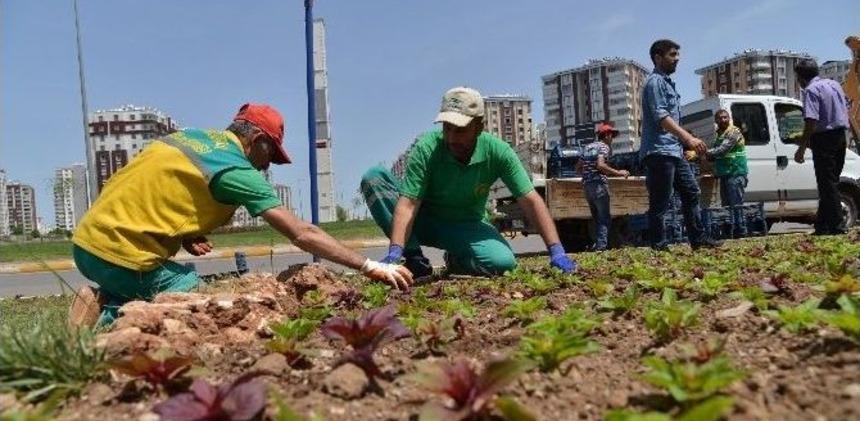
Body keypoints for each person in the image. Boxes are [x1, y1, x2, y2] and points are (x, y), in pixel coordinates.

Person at [70, 103, 412, 327]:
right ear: (258, 140)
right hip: (121, 255)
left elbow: (157, 186)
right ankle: (105, 323)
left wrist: (186, 231)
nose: (268, 166)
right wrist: (368, 265)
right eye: (271, 156)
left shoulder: (193, 138)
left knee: (145, 290)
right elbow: (301, 233)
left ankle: (101, 300)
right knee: (191, 295)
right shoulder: (234, 168)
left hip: (89, 240)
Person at [360, 86, 577, 277]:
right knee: (374, 177)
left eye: (461, 130)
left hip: (466, 226)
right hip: (422, 221)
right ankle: (414, 259)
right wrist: (395, 253)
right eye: (447, 128)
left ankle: (455, 259)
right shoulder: (427, 148)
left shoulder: (498, 152)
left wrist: (556, 250)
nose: (452, 138)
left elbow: (530, 201)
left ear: (479, 126)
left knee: (503, 264)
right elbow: (408, 205)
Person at [640, 39, 722, 251]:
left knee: (690, 192)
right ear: (658, 58)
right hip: (659, 151)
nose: (677, 59)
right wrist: (689, 139)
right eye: (672, 55)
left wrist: (683, 142)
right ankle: (658, 246)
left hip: (673, 151)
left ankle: (698, 239)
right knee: (661, 200)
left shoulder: (666, 82)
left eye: (678, 55)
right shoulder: (654, 83)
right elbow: (662, 117)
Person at [792, 59, 851, 235]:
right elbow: (846, 106)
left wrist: (802, 147)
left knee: (827, 183)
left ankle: (837, 226)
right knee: (831, 182)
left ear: (801, 77)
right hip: (840, 135)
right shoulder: (834, 84)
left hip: (824, 138)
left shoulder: (811, 90)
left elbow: (811, 119)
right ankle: (822, 225)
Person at [576, 123, 630, 250]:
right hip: (599, 185)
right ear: (606, 135)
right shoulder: (604, 147)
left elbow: (578, 167)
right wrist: (619, 173)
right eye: (611, 135)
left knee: (596, 218)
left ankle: (597, 244)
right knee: (604, 217)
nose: (612, 139)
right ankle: (601, 247)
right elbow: (600, 165)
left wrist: (588, 172)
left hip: (587, 186)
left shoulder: (587, 147)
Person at [705, 109, 749, 238]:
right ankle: (730, 232)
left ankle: (740, 231)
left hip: (735, 172)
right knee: (726, 205)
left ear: (729, 118)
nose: (723, 120)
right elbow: (715, 155)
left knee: (736, 204)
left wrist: (702, 153)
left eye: (725, 117)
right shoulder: (719, 134)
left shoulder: (733, 132)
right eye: (720, 118)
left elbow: (723, 150)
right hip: (725, 174)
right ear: (716, 121)